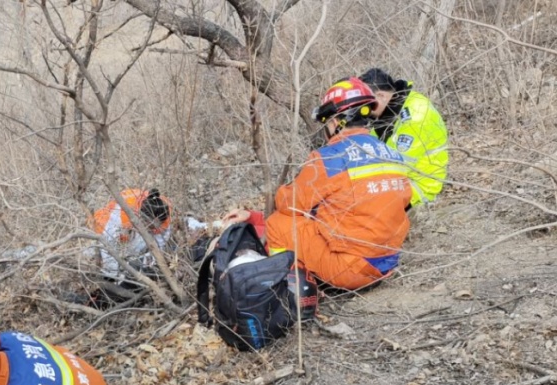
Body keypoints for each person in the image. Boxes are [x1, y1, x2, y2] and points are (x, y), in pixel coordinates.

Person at [221, 77, 412, 291]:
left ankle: (291, 286)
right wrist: (254, 216)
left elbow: (290, 204)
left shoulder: (329, 158)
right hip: (386, 264)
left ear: (335, 122)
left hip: (351, 271)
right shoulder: (392, 154)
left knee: (278, 223)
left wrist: (282, 192)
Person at [360, 68, 448, 207]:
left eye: (366, 103)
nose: (365, 109)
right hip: (399, 179)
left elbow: (399, 166)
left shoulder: (415, 116)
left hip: (418, 187)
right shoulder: (392, 109)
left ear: (381, 95)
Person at [88, 187, 174, 284]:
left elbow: (159, 247)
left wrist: (147, 263)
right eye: (149, 225)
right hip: (107, 224)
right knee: (107, 252)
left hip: (134, 227)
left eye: (155, 226)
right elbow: (108, 242)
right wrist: (112, 274)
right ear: (140, 216)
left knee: (139, 248)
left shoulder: (163, 215)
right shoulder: (122, 212)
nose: (153, 228)